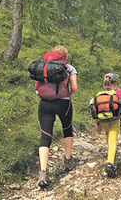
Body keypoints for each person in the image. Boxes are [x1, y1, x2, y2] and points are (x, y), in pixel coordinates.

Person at [36, 45, 78, 188]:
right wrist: (65, 94)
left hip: (45, 104)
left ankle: (43, 172)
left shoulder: (44, 66)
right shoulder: (69, 68)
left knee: (45, 135)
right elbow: (74, 88)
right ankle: (67, 160)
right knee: (67, 129)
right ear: (65, 55)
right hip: (63, 104)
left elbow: (37, 90)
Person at [94, 73, 121, 178]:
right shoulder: (118, 91)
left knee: (108, 137)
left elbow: (96, 108)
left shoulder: (100, 94)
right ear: (115, 82)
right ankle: (110, 163)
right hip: (114, 120)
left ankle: (111, 156)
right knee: (113, 140)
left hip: (103, 121)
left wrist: (98, 125)